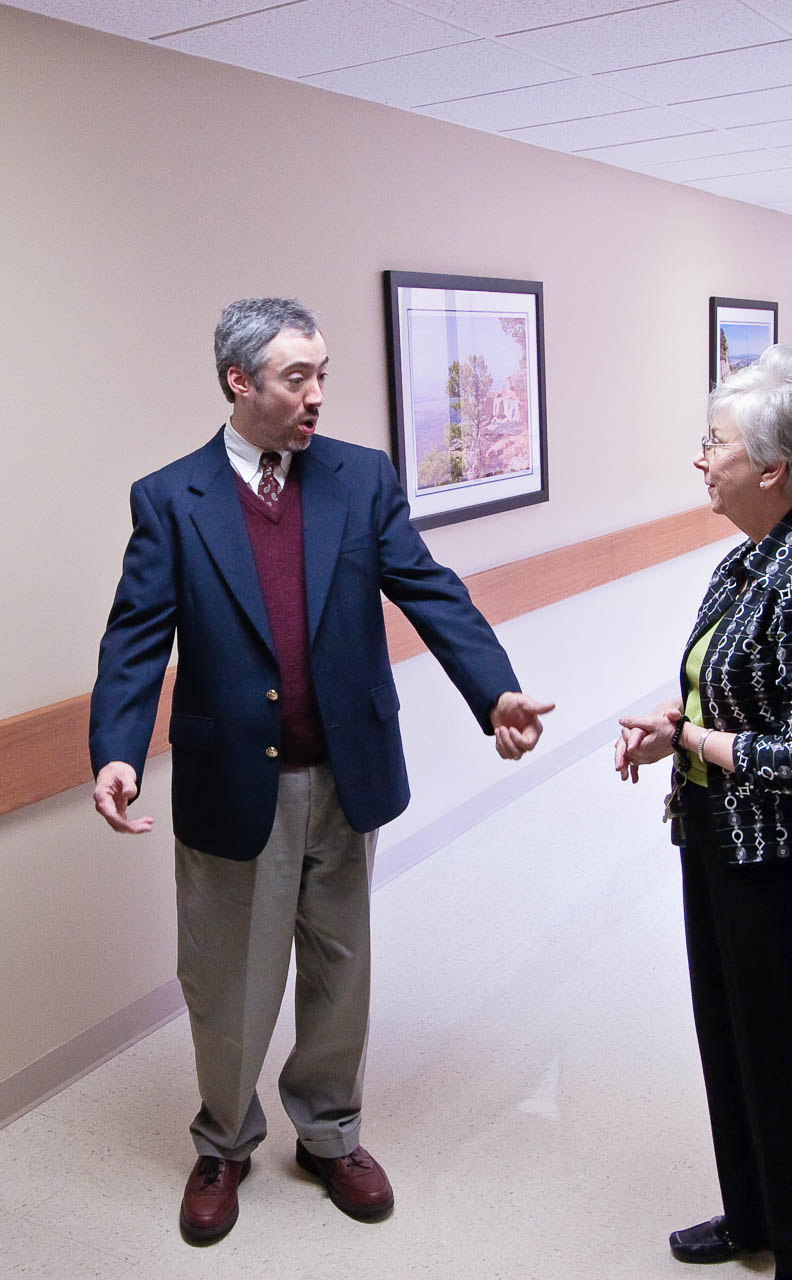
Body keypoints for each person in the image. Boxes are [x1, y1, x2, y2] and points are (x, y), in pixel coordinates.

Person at [89, 297, 554, 1245]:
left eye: (322, 374)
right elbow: (135, 639)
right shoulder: (169, 498)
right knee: (228, 980)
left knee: (341, 967)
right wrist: (116, 752)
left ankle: (329, 1132)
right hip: (233, 782)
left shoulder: (360, 478)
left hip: (345, 773)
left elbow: (429, 587)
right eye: (296, 377)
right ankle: (223, 1141)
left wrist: (493, 693)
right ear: (239, 382)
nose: (316, 395)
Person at [615, 345, 792, 1278]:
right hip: (722, 842)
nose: (701, 457)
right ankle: (757, 1216)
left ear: (773, 468)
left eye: (715, 441)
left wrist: (692, 743)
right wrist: (675, 722)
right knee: (734, 1045)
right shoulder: (751, 561)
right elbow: (732, 696)